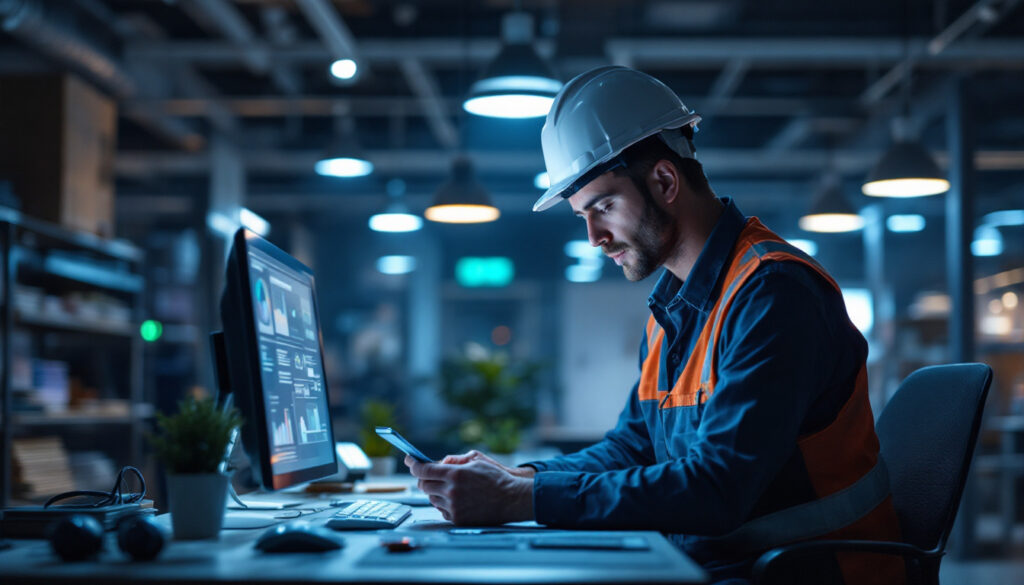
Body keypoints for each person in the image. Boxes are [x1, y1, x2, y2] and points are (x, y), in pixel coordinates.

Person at [406, 66, 903, 584]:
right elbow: (633, 448)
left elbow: (718, 488)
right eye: (583, 217)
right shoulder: (672, 309)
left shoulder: (774, 293)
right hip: (727, 562)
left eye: (603, 206)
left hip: (811, 572)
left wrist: (522, 498)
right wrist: (522, 477)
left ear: (665, 180)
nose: (595, 237)